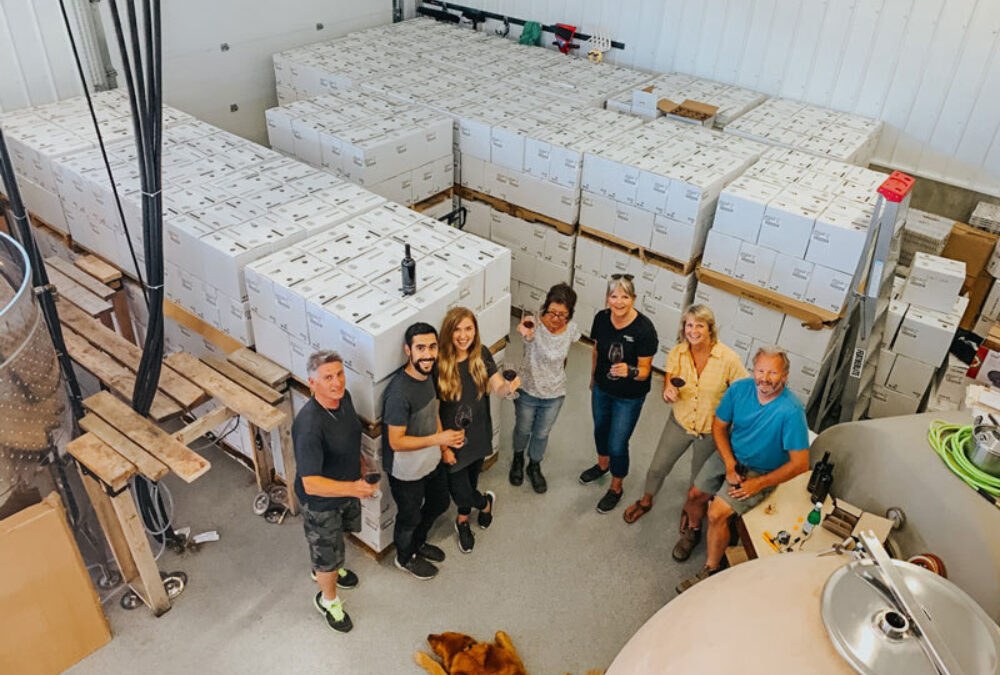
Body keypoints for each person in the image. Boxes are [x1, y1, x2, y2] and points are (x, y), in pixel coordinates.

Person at [675, 347, 810, 594]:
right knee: (694, 495)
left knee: (716, 513)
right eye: (760, 370)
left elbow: (800, 464)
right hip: (731, 455)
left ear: (785, 376)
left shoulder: (791, 411)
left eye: (772, 372)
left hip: (760, 471)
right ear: (753, 369)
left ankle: (710, 569)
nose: (765, 378)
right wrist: (728, 463)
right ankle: (693, 531)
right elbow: (719, 426)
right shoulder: (739, 390)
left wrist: (758, 484)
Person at [623, 306, 747, 564]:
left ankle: (691, 521)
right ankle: (646, 501)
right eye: (689, 325)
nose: (693, 331)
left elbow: (744, 394)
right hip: (679, 423)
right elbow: (668, 385)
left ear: (710, 328)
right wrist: (667, 393)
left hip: (710, 433)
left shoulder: (728, 359)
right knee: (657, 468)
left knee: (696, 486)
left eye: (699, 326)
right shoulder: (678, 353)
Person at [293, 350, 377, 634]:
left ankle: (331, 568)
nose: (337, 382)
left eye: (339, 374)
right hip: (321, 503)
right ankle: (327, 599)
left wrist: (361, 464)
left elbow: (351, 435)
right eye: (328, 377)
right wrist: (353, 487)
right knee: (325, 556)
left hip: (346, 488)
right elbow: (311, 483)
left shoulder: (345, 399)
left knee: (336, 539)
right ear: (312, 383)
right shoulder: (308, 427)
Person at [382, 323, 464, 580]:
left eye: (432, 347)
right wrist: (439, 438)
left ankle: (417, 543)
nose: (427, 354)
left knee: (440, 502)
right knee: (409, 516)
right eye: (420, 348)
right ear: (408, 350)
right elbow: (396, 441)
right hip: (406, 471)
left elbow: (434, 412)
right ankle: (404, 557)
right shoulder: (398, 393)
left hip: (431, 459)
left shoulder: (428, 375)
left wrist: (443, 447)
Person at [436, 306, 519, 553]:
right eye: (457, 330)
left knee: (471, 480)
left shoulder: (481, 354)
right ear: (448, 332)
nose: (463, 335)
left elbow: (498, 387)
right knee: (461, 492)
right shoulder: (439, 364)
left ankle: (462, 520)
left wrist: (510, 388)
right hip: (454, 443)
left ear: (475, 331)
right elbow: (434, 412)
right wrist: (443, 448)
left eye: (469, 329)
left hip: (479, 433)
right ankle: (484, 504)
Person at [580, 275, 658, 513]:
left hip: (629, 396)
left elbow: (646, 372)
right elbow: (596, 351)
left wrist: (630, 370)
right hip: (603, 388)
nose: (619, 301)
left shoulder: (644, 329)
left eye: (625, 296)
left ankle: (616, 487)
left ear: (633, 299)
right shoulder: (601, 319)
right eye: (614, 296)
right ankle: (602, 466)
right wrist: (594, 377)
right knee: (600, 430)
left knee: (617, 442)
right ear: (607, 299)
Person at [510, 283, 582, 493]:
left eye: (563, 315)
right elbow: (525, 327)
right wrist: (525, 327)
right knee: (523, 429)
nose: (556, 319)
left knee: (541, 433)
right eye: (552, 313)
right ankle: (517, 459)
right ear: (545, 308)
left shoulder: (572, 329)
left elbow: (566, 353)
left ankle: (534, 465)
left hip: (555, 393)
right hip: (528, 391)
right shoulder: (534, 325)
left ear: (570, 314)